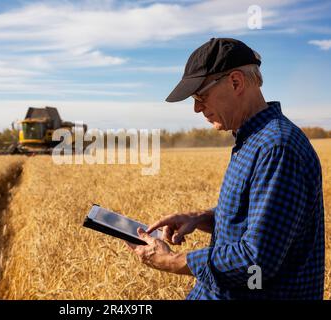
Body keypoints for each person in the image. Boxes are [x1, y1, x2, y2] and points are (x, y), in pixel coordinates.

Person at [126, 38, 325, 300]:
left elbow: (257, 262)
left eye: (201, 95)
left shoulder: (277, 147)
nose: (197, 108)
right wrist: (200, 218)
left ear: (235, 82)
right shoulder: (254, 139)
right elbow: (256, 217)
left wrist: (171, 260)